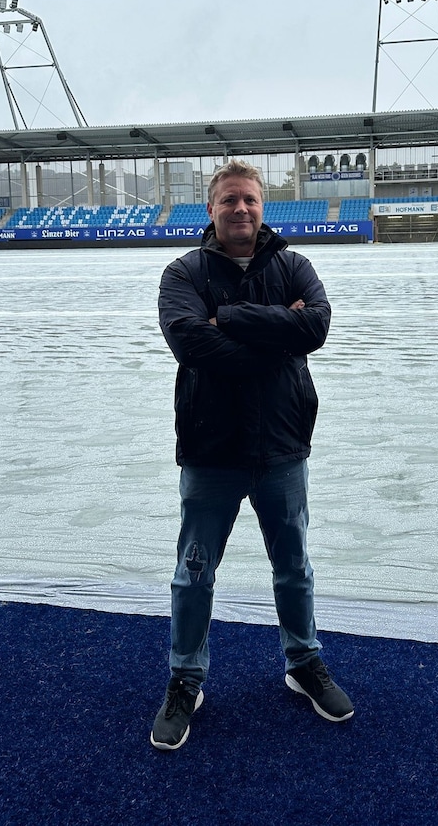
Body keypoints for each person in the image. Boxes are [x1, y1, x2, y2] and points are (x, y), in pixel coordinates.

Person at [151, 159, 354, 750]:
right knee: (193, 571)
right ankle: (185, 678)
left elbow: (314, 328)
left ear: (263, 208)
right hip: (210, 451)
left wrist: (232, 319)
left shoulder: (294, 266)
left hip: (283, 448)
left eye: (251, 201)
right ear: (210, 210)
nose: (241, 209)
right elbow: (190, 341)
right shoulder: (181, 272)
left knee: (294, 566)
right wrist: (274, 340)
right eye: (229, 201)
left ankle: (303, 662)